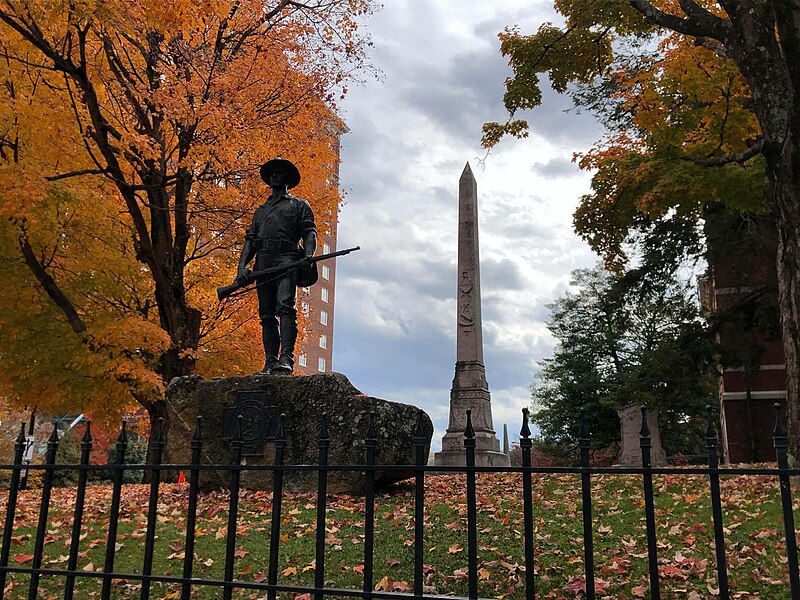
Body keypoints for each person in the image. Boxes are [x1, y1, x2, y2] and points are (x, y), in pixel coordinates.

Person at [235, 157, 316, 374]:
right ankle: (270, 361)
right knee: (266, 314)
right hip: (263, 261)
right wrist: (242, 267)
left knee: (285, 307)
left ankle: (286, 359)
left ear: (287, 178)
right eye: (272, 173)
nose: (275, 176)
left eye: (280, 172)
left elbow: (309, 232)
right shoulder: (260, 211)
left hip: (287, 258)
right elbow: (250, 240)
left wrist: (308, 254)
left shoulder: (299, 205)